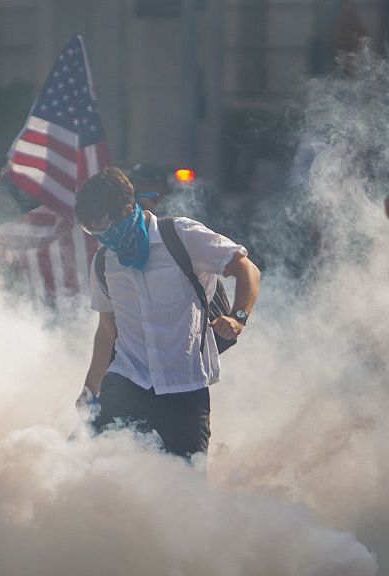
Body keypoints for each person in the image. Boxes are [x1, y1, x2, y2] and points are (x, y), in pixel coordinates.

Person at [77, 167, 260, 459]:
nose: (103, 240)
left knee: (184, 480)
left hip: (184, 388)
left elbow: (246, 268)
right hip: (127, 382)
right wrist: (89, 390)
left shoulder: (180, 235)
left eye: (104, 229)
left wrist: (237, 318)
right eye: (92, 232)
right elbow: (107, 330)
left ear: (127, 211)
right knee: (91, 464)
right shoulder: (104, 263)